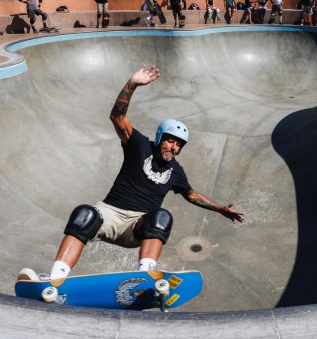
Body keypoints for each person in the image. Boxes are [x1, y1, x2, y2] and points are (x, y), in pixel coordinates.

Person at [19, 65, 245, 282]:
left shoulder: (177, 171)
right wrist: (132, 84)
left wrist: (219, 209)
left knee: (161, 217)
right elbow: (117, 117)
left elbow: (191, 194)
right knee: (84, 214)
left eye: (178, 145)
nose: (173, 147)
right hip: (109, 215)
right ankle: (56, 279)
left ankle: (145, 276)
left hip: (136, 225)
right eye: (169, 140)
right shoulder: (139, 145)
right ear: (159, 138)